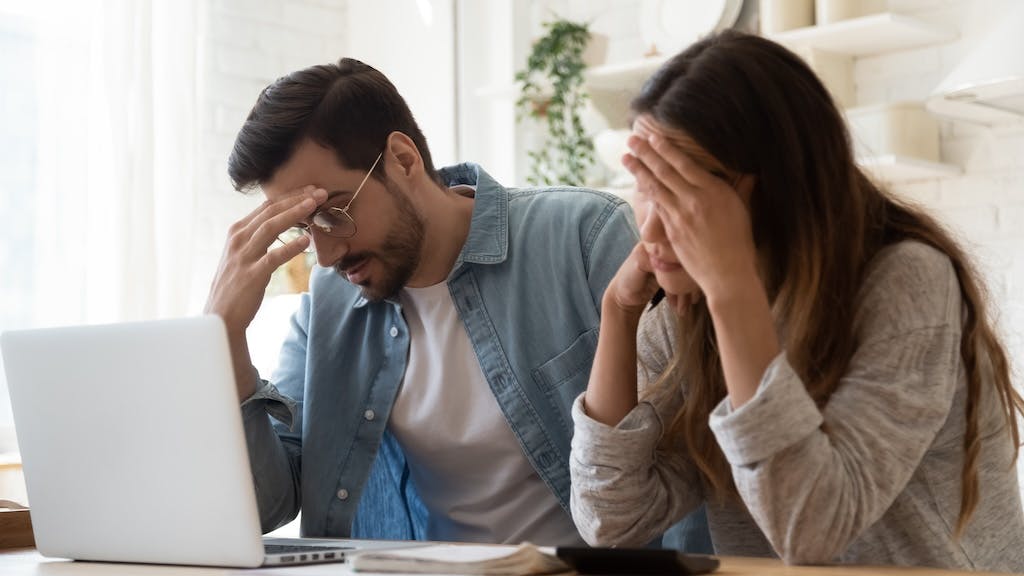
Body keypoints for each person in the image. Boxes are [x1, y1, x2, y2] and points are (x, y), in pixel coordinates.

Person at [569, 30, 1024, 571]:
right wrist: (617, 316)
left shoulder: (906, 281)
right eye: (643, 182)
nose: (649, 224)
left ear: (770, 185)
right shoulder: (685, 314)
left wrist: (731, 287)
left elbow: (814, 531)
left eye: (678, 188)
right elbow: (611, 520)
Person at [203, 56, 672, 546]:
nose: (325, 255)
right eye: (305, 227)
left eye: (333, 212)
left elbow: (686, 454)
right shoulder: (327, 309)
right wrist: (224, 339)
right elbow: (267, 506)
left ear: (403, 160)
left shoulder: (581, 238)